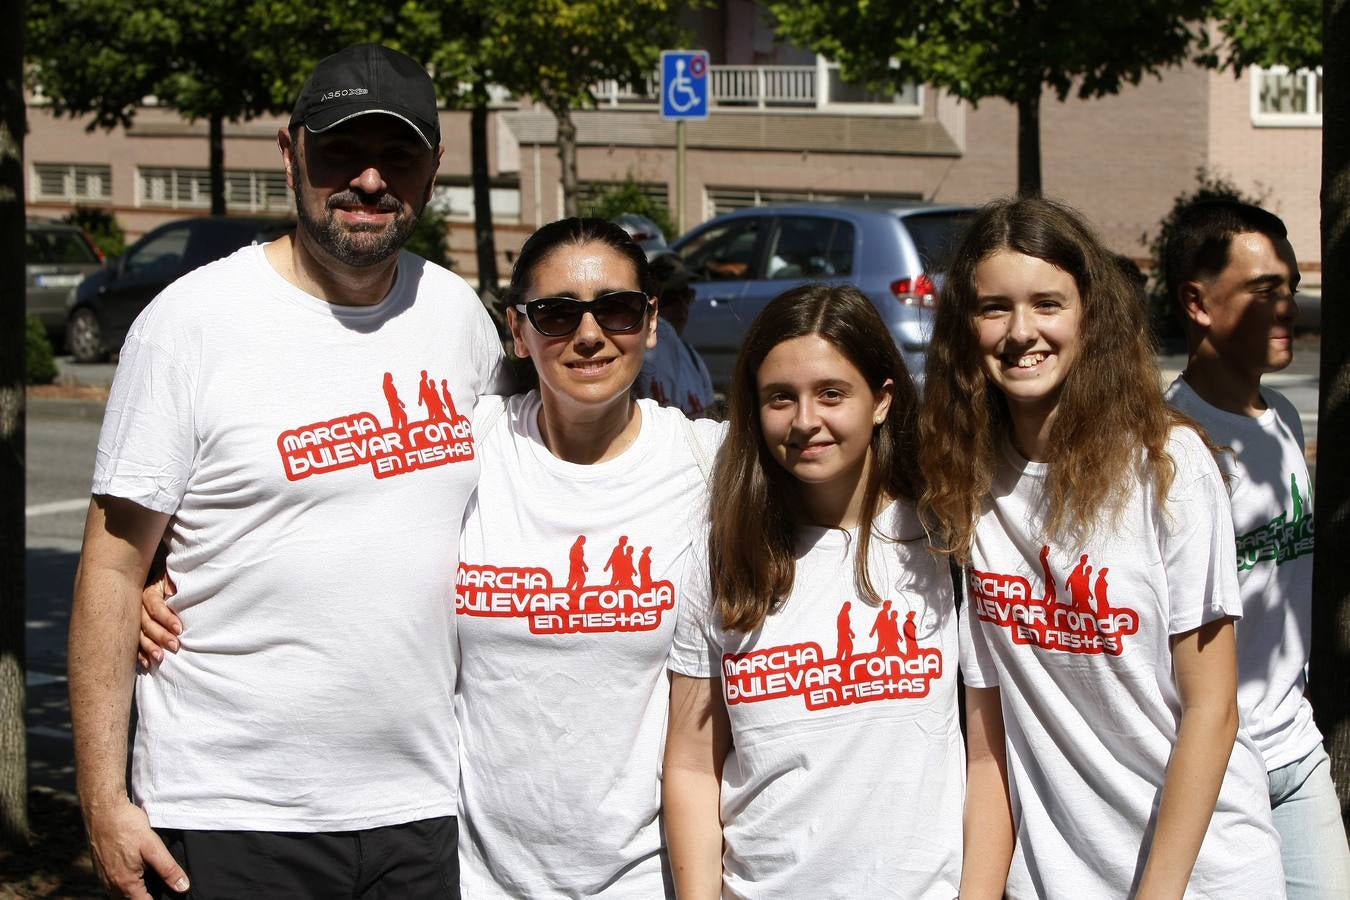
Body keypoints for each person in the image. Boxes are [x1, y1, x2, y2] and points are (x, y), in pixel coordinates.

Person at [70, 43, 507, 899]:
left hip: (422, 807)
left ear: (434, 169)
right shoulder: (189, 325)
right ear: (291, 150)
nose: (371, 180)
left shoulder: (458, 317)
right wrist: (103, 800)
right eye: (342, 151)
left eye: (398, 157)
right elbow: (113, 565)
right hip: (229, 813)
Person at [920, 196, 1284, 898]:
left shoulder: (1165, 466)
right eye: (995, 307)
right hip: (1052, 879)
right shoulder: (963, 477)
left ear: (1090, 314)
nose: (1021, 331)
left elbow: (1213, 711)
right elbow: (990, 736)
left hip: (1199, 878)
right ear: (966, 326)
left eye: (1047, 304)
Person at [663, 284, 963, 898]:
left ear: (881, 400)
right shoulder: (723, 555)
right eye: (780, 398)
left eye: (831, 394)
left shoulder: (945, 543)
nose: (805, 421)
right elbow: (692, 765)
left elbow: (990, 755)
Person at [453, 218, 723, 895]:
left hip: (647, 880)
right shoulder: (466, 449)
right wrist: (166, 574)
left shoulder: (707, 463)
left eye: (618, 309)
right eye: (555, 314)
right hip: (475, 879)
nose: (590, 333)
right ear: (517, 329)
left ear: (652, 321)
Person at [1163, 199, 1350, 898]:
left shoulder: (1284, 419)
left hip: (1297, 757)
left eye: (1291, 291)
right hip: (1217, 765)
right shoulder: (1169, 447)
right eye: (1264, 291)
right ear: (1197, 301)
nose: (1287, 310)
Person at [634, 254, 716, 418]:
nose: (681, 305)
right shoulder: (637, 357)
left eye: (686, 294)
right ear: (652, 306)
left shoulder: (692, 356)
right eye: (671, 297)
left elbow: (710, 411)